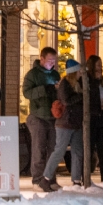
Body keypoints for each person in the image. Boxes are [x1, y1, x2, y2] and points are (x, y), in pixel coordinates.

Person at [42, 59, 85, 189]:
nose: (81, 73)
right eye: (79, 71)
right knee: (59, 150)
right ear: (74, 72)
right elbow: (66, 100)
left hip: (76, 123)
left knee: (78, 151)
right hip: (65, 123)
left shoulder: (79, 83)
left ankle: (76, 180)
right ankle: (46, 178)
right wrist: (81, 96)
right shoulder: (65, 84)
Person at [23, 47, 60, 191]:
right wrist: (44, 89)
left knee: (53, 149)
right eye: (50, 60)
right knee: (38, 149)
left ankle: (50, 179)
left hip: (53, 117)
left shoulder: (56, 74)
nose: (52, 63)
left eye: (54, 60)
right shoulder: (32, 75)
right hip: (38, 116)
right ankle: (37, 180)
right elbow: (26, 92)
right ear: (42, 59)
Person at [85, 55, 103, 183]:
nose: (101, 68)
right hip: (92, 119)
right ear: (92, 66)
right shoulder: (87, 81)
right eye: (98, 65)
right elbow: (86, 99)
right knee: (89, 149)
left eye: (101, 66)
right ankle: (85, 178)